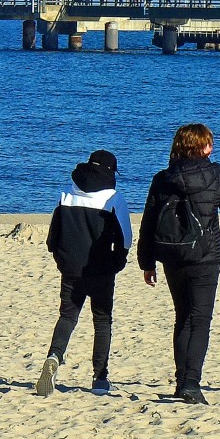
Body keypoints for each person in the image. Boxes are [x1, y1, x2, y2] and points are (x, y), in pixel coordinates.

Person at [137, 124, 220, 405]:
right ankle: (190, 382)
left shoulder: (162, 179)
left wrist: (146, 261)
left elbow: (148, 223)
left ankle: (181, 381)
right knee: (199, 320)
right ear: (205, 148)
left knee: (183, 317)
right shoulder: (216, 176)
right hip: (205, 256)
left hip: (172, 255)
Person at [36, 150, 132, 397]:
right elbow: (125, 239)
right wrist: (117, 263)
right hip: (101, 270)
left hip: (70, 268)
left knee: (67, 316)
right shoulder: (113, 198)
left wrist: (60, 259)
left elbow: (53, 236)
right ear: (111, 172)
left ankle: (54, 357)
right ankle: (100, 378)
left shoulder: (67, 193)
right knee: (102, 321)